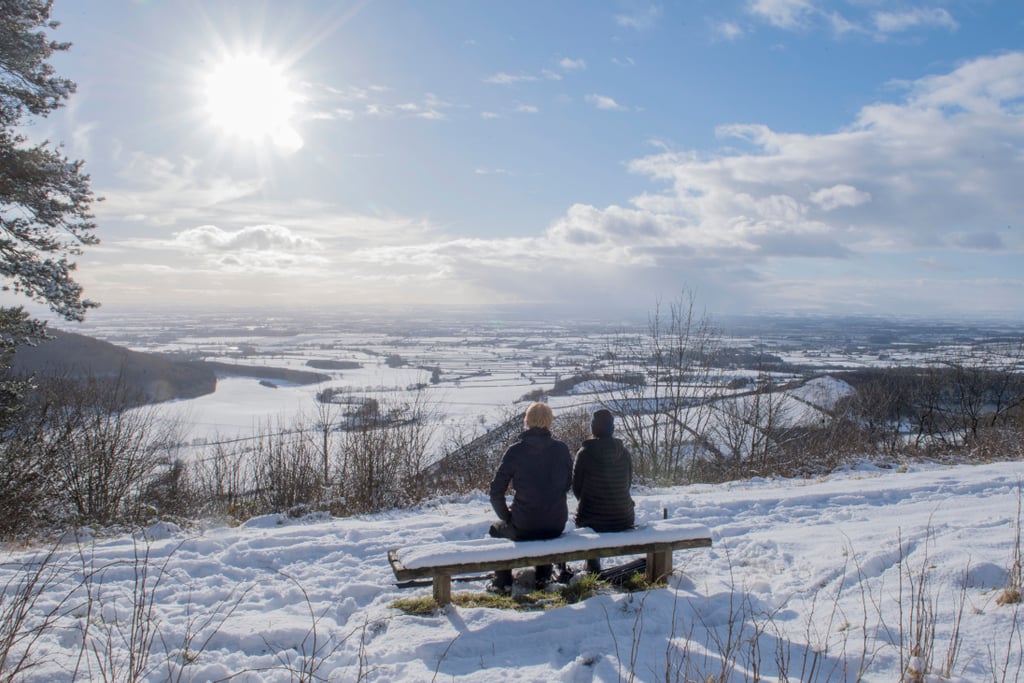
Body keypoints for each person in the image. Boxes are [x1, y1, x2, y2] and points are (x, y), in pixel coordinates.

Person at [487, 402, 573, 593]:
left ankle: (502, 581)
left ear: (526, 422)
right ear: (550, 422)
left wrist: (508, 517)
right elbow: (567, 484)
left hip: (523, 526)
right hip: (556, 524)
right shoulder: (561, 449)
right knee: (543, 525)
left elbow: (495, 492)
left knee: (496, 529)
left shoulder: (515, 451)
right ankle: (543, 576)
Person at [572, 409, 635, 573]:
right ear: (612, 428)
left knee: (586, 514)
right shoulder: (624, 453)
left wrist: (588, 501)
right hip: (624, 518)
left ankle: (593, 564)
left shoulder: (585, 453)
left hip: (592, 520)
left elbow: (576, 488)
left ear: (593, 428)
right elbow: (627, 484)